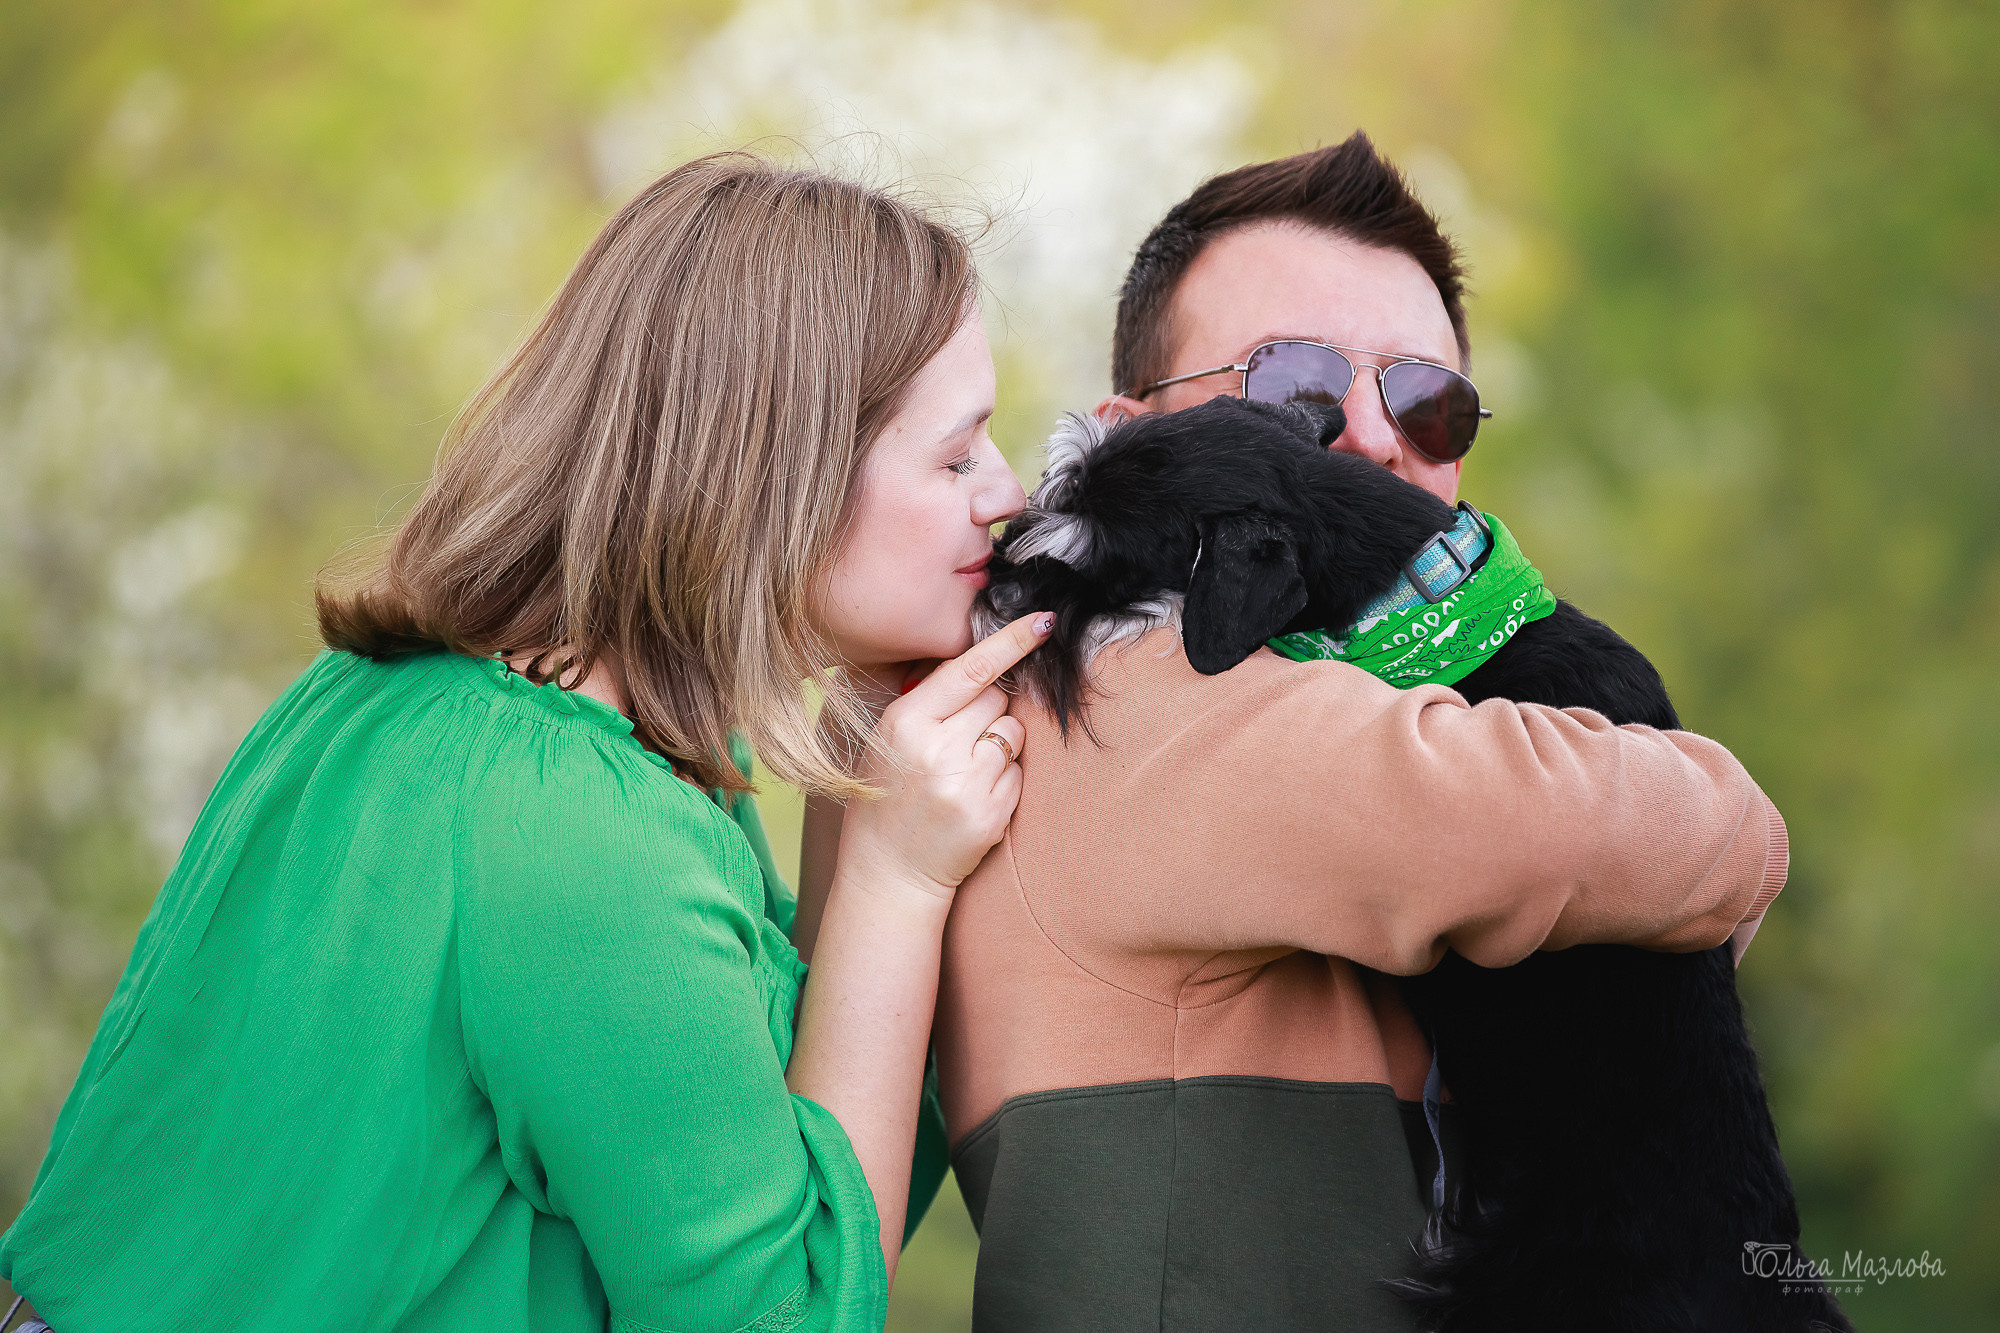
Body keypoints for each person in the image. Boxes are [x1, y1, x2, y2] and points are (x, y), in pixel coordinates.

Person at [0, 153, 1041, 1333]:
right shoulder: (579, 826)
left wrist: (860, 797)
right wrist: (896, 887)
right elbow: (788, 1311)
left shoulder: (406, 703)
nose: (1004, 494)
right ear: (776, 475)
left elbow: (777, 1163)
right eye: (956, 454)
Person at [928, 133, 1789, 1331]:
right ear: (1124, 433)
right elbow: (1713, 837)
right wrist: (1712, 816)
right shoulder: (1130, 703)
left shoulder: (1381, 717)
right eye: (1293, 385)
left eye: (1430, 404)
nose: (1376, 440)